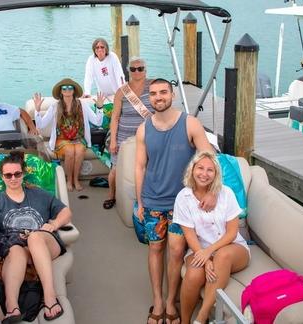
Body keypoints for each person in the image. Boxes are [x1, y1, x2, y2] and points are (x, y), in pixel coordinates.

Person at [134, 78, 216, 324]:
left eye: (163, 92)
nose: (158, 97)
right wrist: (139, 202)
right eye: (154, 94)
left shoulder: (190, 124)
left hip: (183, 204)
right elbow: (140, 166)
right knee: (155, 248)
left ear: (172, 95)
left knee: (177, 250)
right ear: (149, 98)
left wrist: (212, 191)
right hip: (153, 200)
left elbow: (209, 159)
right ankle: (158, 300)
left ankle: (172, 300)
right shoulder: (143, 129)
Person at [0, 151, 72, 323]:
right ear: (2, 176)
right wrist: (15, 241)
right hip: (17, 250)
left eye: (17, 174)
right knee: (16, 250)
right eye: (8, 175)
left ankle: (50, 297)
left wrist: (53, 225)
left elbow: (66, 212)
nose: (13, 178)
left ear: (23, 174)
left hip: (45, 244)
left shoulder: (39, 195)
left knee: (35, 238)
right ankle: (12, 307)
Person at [173, 151, 250, 324]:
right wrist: (207, 259)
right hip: (199, 248)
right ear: (192, 169)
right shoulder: (183, 198)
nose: (204, 173)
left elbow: (231, 233)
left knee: (222, 256)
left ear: (216, 174)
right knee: (193, 274)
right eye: (200, 168)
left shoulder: (226, 193)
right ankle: (185, 321)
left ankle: (201, 318)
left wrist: (210, 252)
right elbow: (190, 235)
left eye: (210, 170)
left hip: (233, 247)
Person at [33, 78, 105, 192]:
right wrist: (37, 109)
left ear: (74, 91)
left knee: (80, 150)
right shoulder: (55, 106)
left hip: (79, 138)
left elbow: (97, 122)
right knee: (70, 151)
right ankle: (69, 180)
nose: (67, 90)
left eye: (70, 88)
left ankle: (76, 180)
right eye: (64, 88)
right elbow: (41, 125)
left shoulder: (82, 104)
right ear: (61, 91)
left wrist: (100, 107)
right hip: (61, 138)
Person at [103, 57, 154, 209]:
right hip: (123, 137)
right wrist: (113, 141)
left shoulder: (153, 86)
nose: (137, 71)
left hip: (148, 136)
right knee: (115, 169)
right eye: (133, 69)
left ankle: (145, 197)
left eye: (140, 68)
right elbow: (115, 117)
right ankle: (111, 196)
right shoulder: (122, 91)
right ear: (128, 71)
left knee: (148, 167)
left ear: (145, 70)